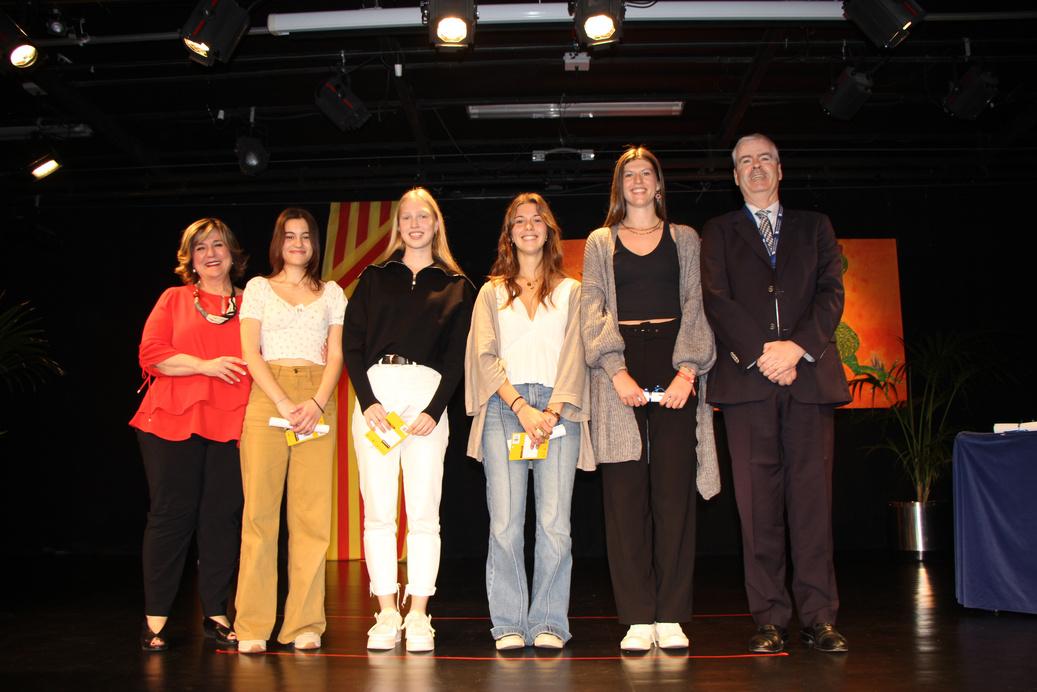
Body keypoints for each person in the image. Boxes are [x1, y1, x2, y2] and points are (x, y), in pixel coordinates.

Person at [700, 133, 851, 654]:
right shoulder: (718, 231)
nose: (757, 167)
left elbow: (832, 293)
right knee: (757, 509)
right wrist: (764, 353)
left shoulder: (816, 226)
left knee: (812, 506)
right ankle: (769, 617)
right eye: (746, 161)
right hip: (748, 385)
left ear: (780, 169)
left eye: (765, 158)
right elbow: (715, 299)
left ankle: (820, 617)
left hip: (809, 382)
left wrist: (797, 349)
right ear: (735, 175)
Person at [581, 146, 719, 652]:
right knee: (623, 495)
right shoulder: (600, 242)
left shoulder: (686, 238)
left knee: (674, 491)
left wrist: (688, 371)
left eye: (646, 173)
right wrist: (616, 371)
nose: (638, 181)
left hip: (675, 359)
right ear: (618, 187)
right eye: (629, 175)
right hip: (617, 366)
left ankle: (671, 615)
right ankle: (638, 616)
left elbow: (697, 305)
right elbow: (591, 308)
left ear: (659, 184)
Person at [343, 187, 475, 653]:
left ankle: (418, 612)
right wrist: (367, 401)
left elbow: (458, 358)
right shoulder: (374, 277)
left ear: (436, 224)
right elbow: (352, 343)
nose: (415, 224)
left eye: (423, 216)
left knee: (423, 513)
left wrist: (434, 410)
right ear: (397, 226)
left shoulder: (458, 285)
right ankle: (385, 611)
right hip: (376, 397)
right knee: (378, 513)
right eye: (407, 217)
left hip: (426, 400)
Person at [465, 192, 594, 651]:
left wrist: (552, 410)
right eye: (519, 220)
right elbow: (483, 357)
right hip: (506, 408)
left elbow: (577, 355)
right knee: (505, 523)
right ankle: (509, 623)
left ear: (549, 230)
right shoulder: (491, 293)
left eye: (536, 219)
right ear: (509, 233)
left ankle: (549, 622)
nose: (528, 226)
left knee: (555, 524)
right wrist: (522, 407)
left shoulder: (572, 291)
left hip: (560, 409)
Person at [131, 218, 250, 651]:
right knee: (171, 515)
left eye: (218, 245)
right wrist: (205, 366)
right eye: (200, 248)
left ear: (232, 253)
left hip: (234, 421)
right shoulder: (174, 298)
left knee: (221, 517)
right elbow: (151, 354)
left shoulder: (252, 302)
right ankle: (156, 619)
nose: (210, 254)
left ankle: (216, 612)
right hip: (171, 419)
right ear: (191, 259)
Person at [233, 208, 346, 654]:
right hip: (268, 395)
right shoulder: (259, 288)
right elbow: (250, 352)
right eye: (289, 236)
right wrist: (282, 401)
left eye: (305, 236)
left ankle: (305, 623)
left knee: (311, 518)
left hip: (318, 395)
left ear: (315, 243)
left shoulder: (332, 292)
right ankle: (252, 624)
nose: (298, 244)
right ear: (278, 242)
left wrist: (316, 402)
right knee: (259, 515)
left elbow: (336, 354)